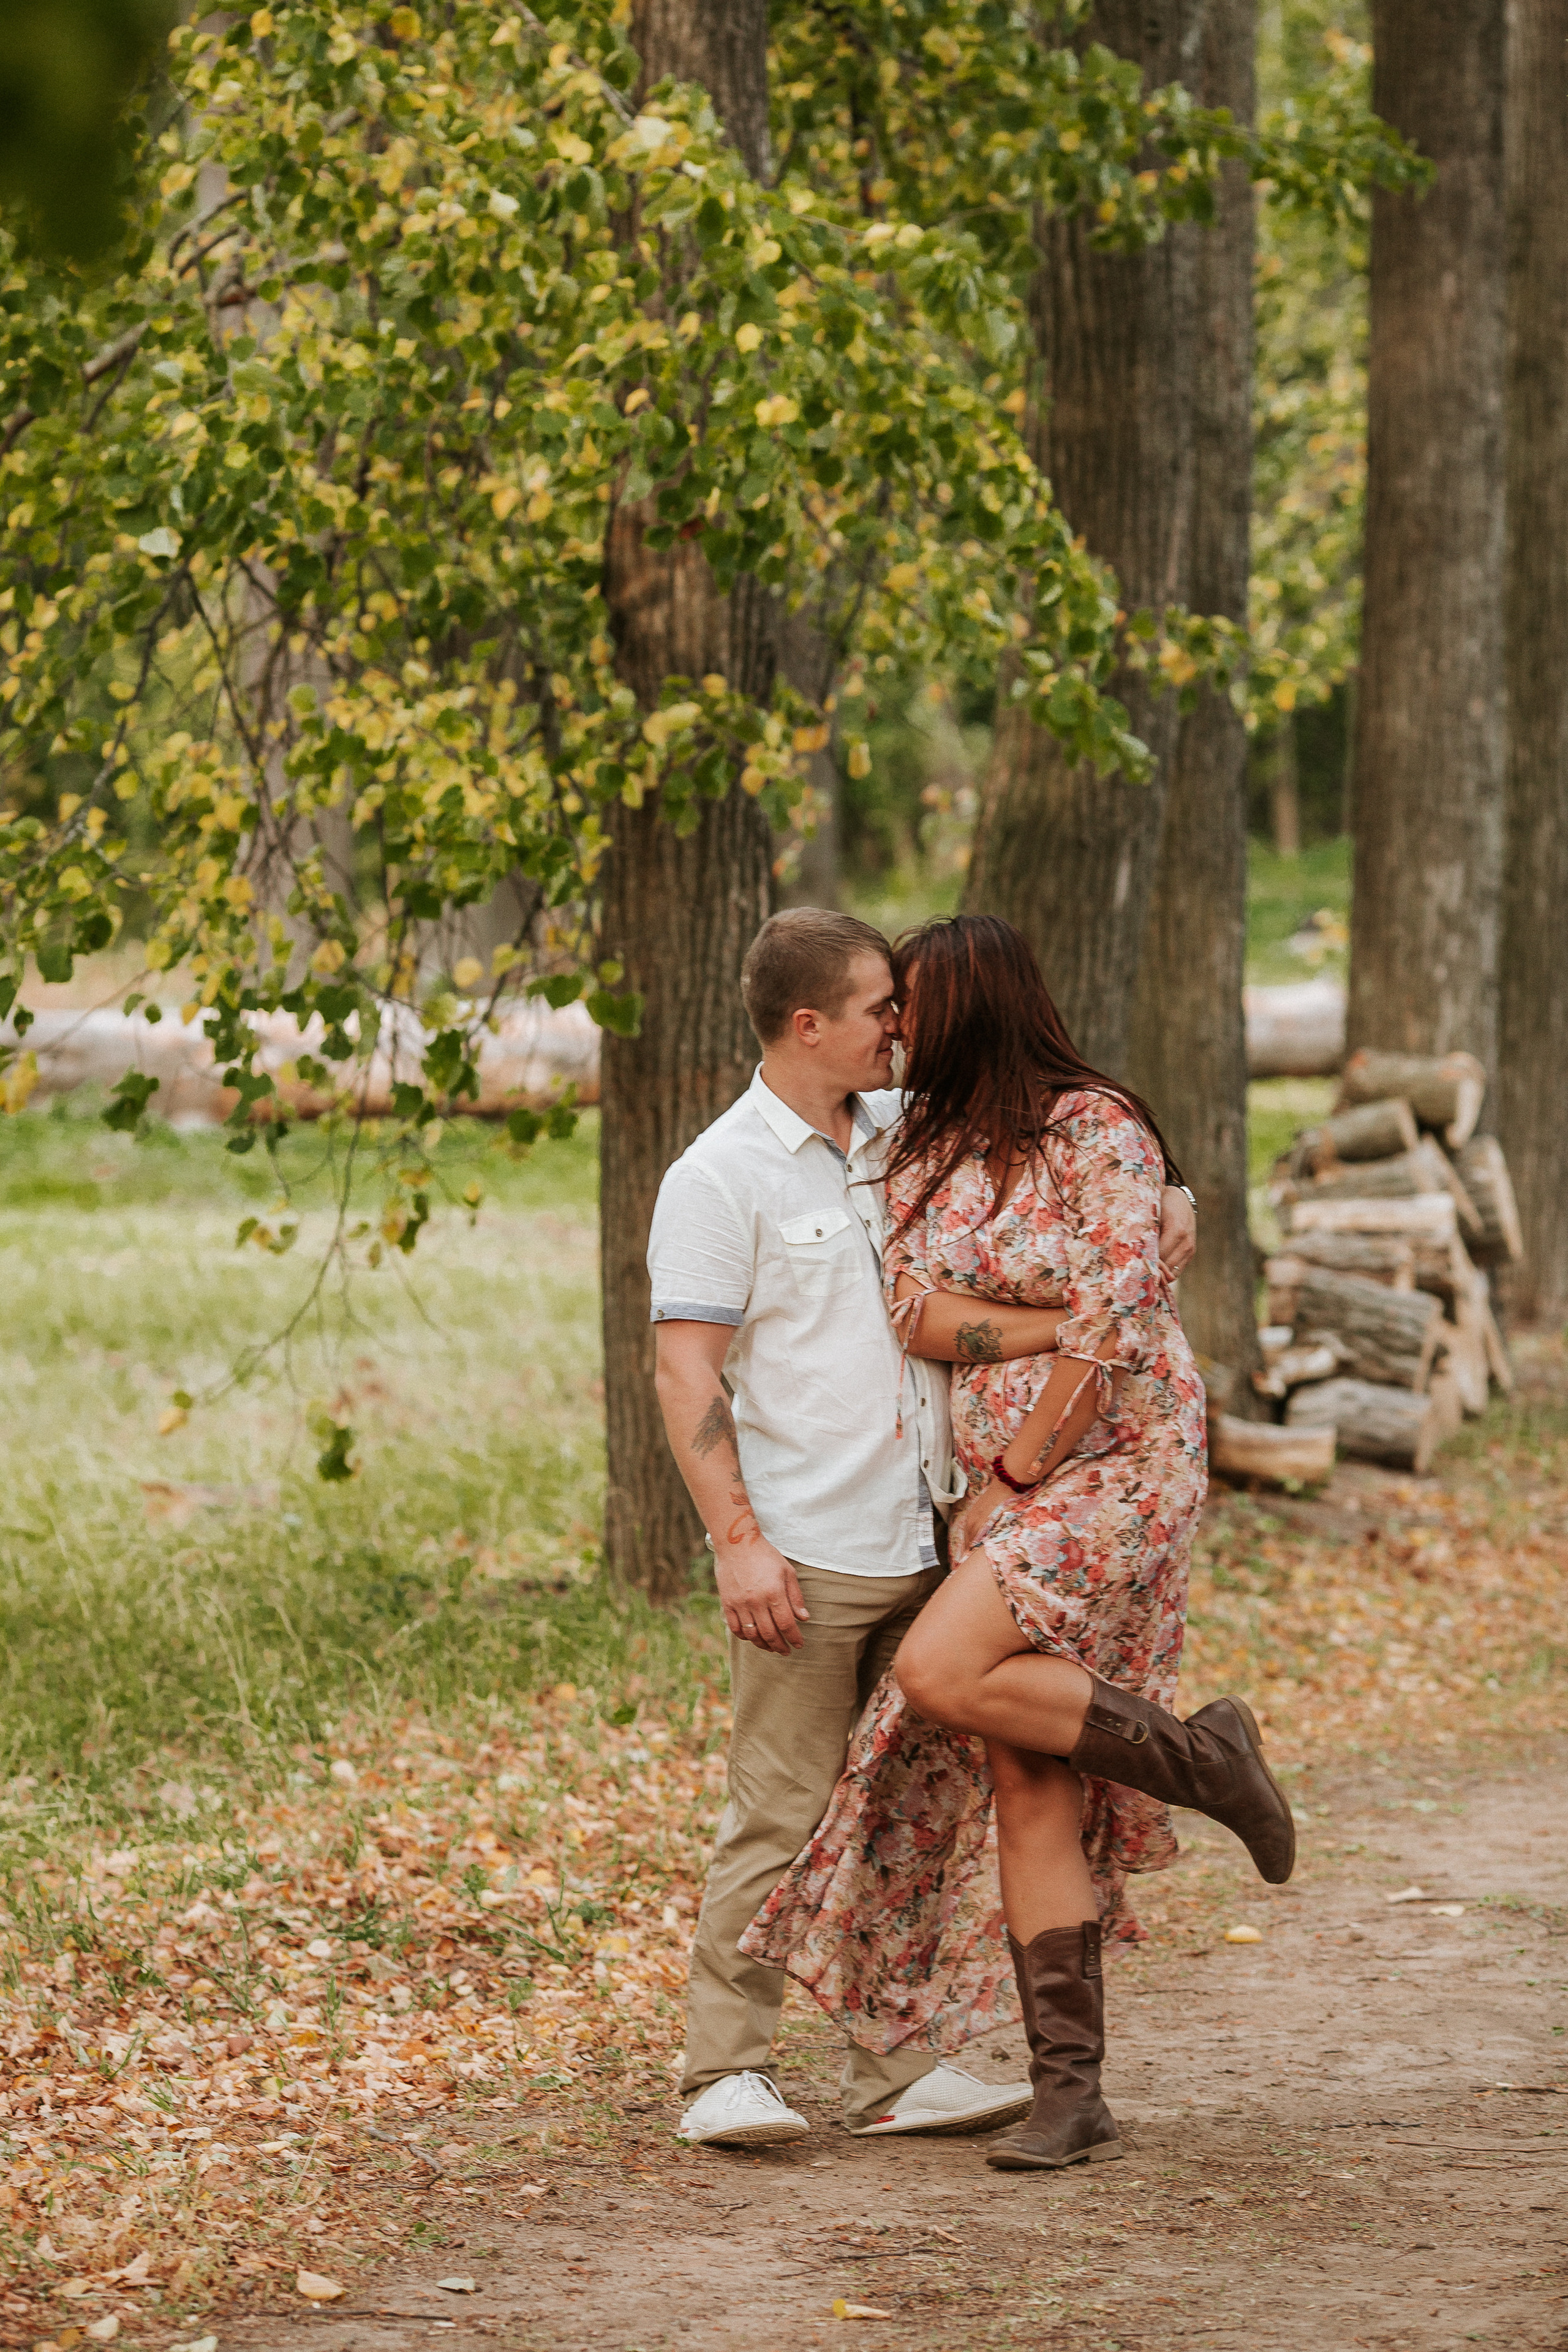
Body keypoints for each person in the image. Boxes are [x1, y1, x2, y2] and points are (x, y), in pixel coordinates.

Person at [745, 913, 1294, 2173]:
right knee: (1023, 1768)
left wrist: (1020, 1462)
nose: (896, 1026)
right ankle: (1071, 2091)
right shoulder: (917, 1146)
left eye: (912, 1005)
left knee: (938, 1671)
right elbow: (918, 1312)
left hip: (1118, 1468)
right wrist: (1057, 1320)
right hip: (1005, 1483)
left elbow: (1121, 1332)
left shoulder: (1094, 1129)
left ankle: (1210, 1767)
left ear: (974, 1007)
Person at [647, 907, 1197, 2149]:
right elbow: (686, 1376)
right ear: (809, 1025)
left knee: (908, 1809)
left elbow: (1098, 1170)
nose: (902, 1026)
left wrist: (1178, 1199)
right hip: (809, 1542)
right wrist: (736, 1538)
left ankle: (889, 2073)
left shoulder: (911, 1129)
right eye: (878, 1009)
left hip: (945, 1533)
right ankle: (721, 2070)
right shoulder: (718, 1174)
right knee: (781, 1806)